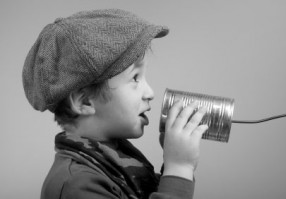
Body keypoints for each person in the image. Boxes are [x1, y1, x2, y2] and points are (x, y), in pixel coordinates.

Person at [22, 9, 208, 199]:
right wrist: (179, 168)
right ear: (84, 101)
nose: (150, 93)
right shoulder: (77, 186)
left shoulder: (114, 160)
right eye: (135, 78)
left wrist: (172, 164)